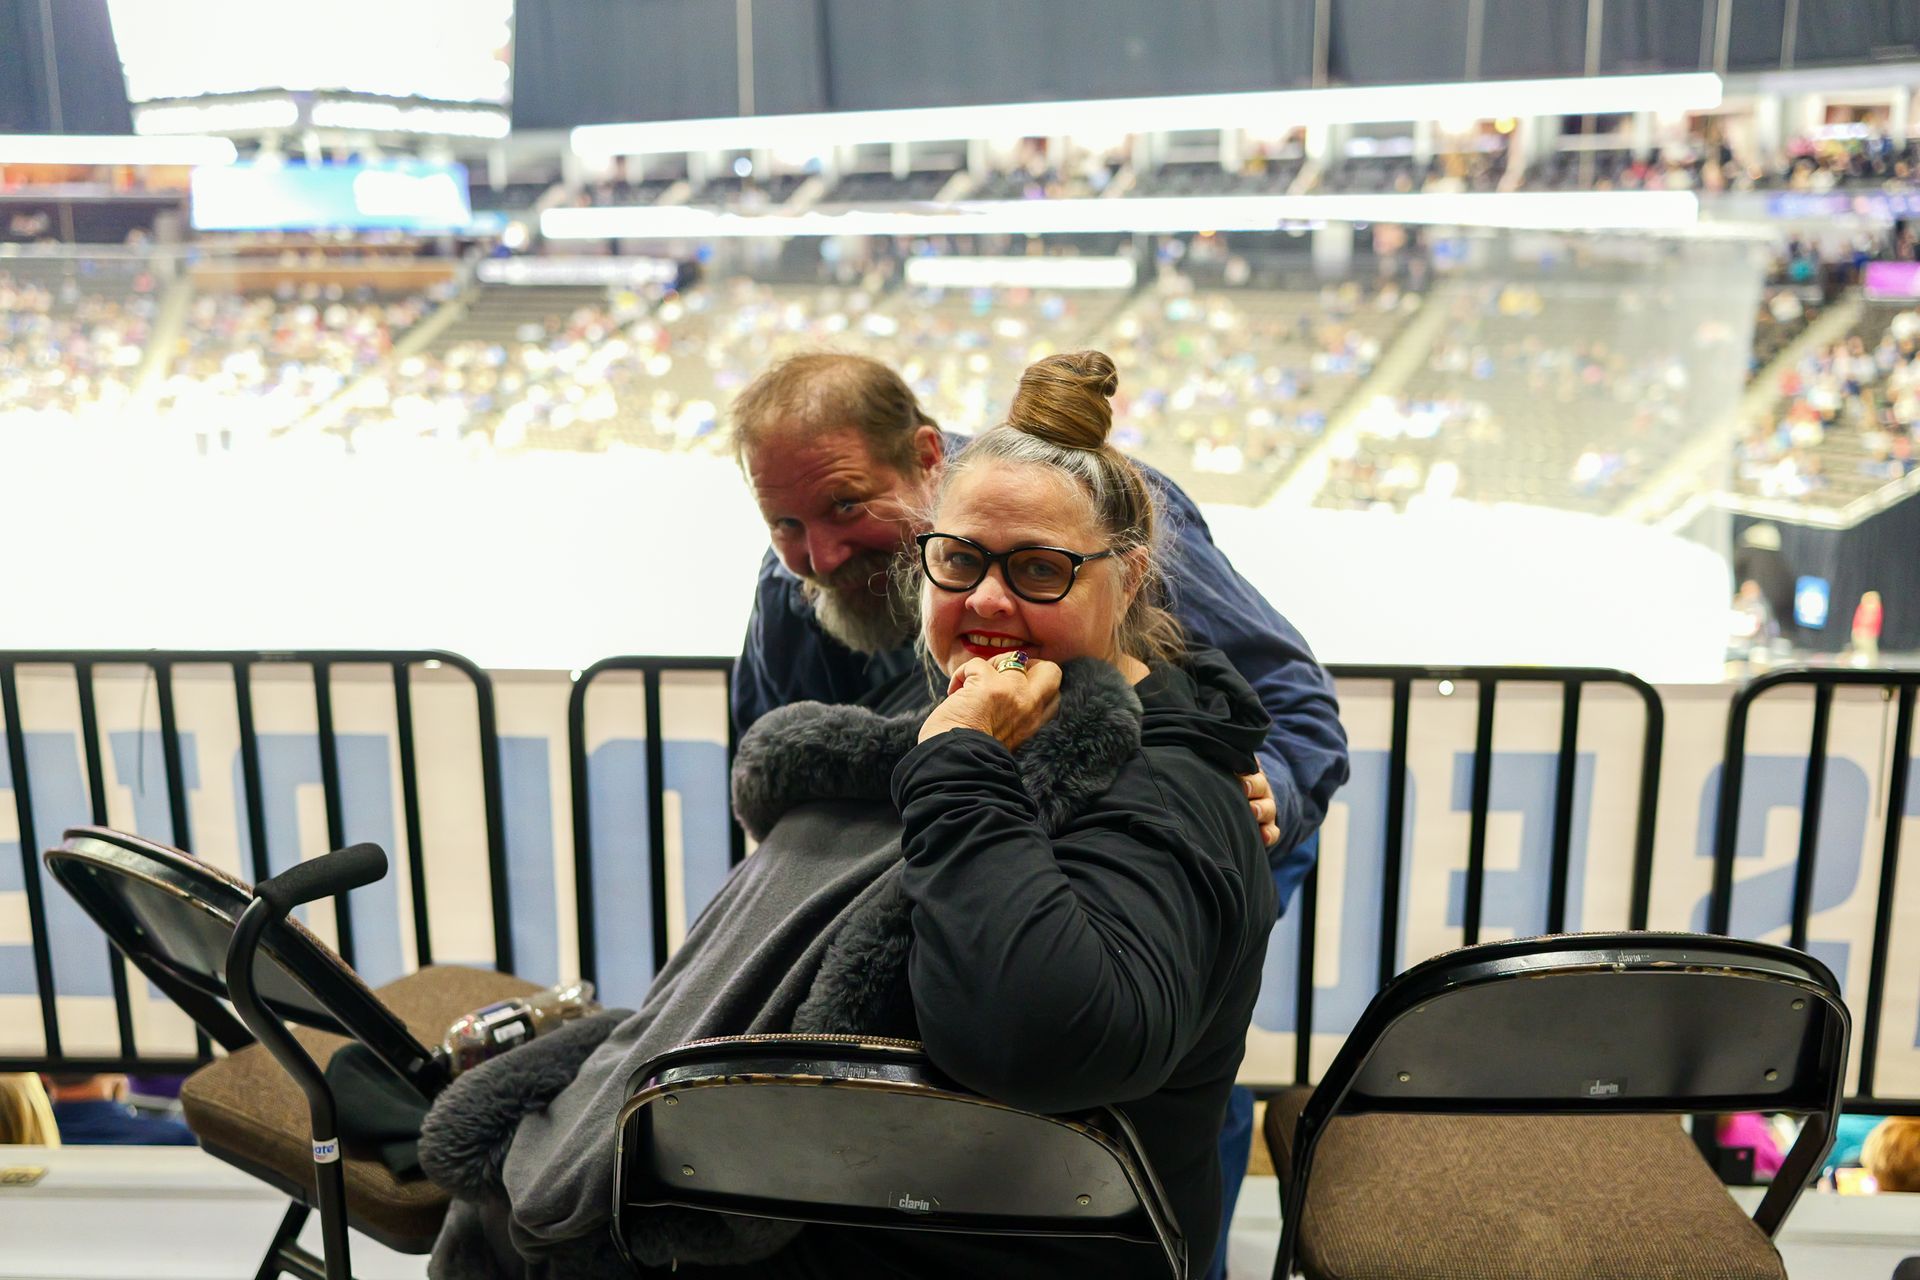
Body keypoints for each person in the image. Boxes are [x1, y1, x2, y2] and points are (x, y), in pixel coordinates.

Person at [443, 352, 1277, 1280]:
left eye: (1040, 570)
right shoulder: (955, 704)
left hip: (977, 1236)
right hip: (894, 1190)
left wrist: (958, 762)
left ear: (1125, 580)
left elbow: (1041, 1041)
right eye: (960, 561)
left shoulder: (1159, 786)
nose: (988, 600)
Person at [728, 350, 1348, 882]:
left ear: (926, 456)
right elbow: (782, 783)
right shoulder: (794, 583)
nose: (819, 556)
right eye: (784, 522)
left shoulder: (1094, 507)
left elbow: (1292, 701)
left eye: (846, 505)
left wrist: (1261, 807)